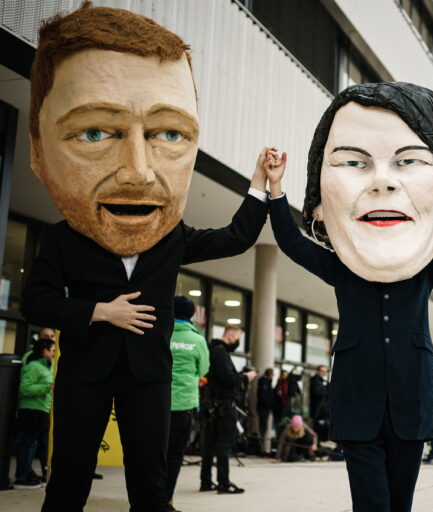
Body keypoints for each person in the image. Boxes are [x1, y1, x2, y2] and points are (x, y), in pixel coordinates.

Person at [21, 5, 271, 509]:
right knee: (67, 481)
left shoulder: (171, 237)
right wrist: (99, 311)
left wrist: (261, 187)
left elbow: (236, 238)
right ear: (38, 153)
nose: (136, 173)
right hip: (85, 374)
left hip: (149, 377)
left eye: (168, 135)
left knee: (150, 486)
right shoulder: (62, 239)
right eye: (96, 132)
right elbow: (36, 303)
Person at [265, 82, 433, 511]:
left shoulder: (424, 267)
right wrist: (277, 191)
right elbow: (293, 244)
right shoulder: (341, 267)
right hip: (358, 404)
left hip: (411, 401)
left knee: (399, 503)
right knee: (371, 503)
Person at [200, 326, 256, 494]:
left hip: (214, 404)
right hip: (224, 404)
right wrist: (245, 377)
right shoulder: (220, 352)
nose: (237, 342)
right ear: (230, 336)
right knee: (224, 443)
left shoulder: (212, 350)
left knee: (210, 444)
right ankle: (223, 482)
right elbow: (228, 378)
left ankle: (206, 481)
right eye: (238, 338)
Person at [165, 296, 209, 510]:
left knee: (152, 453)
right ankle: (166, 501)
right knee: (174, 455)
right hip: (183, 404)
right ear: (192, 315)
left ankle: (147, 499)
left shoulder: (163, 332)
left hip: (157, 403)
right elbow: (203, 370)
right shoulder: (198, 340)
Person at [14, 338, 55, 489]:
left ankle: (39, 475)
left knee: (43, 445)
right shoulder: (34, 366)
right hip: (31, 410)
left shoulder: (48, 366)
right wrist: (46, 388)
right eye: (52, 350)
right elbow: (24, 389)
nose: (54, 353)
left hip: (44, 410)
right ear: (44, 351)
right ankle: (22, 476)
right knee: (28, 444)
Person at [256, 368, 275, 453]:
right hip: (263, 408)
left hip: (265, 408)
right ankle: (261, 448)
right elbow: (263, 396)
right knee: (262, 428)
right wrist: (269, 405)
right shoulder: (264, 382)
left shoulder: (267, 382)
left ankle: (262, 448)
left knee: (264, 428)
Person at [309, 365, 330, 441]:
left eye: (325, 371)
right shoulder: (315, 380)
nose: (324, 373)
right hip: (317, 410)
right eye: (322, 371)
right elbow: (317, 392)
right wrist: (326, 390)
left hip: (320, 410)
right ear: (317, 371)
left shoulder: (320, 381)